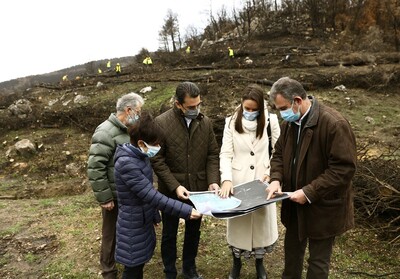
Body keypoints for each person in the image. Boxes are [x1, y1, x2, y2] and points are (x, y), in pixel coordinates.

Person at [266, 77, 357, 279]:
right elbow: (279, 154)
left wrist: (309, 192)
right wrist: (275, 178)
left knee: (317, 263)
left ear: (297, 101)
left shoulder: (334, 124)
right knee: (292, 258)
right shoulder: (290, 124)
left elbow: (343, 169)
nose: (281, 113)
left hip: (324, 207)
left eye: (283, 108)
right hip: (294, 205)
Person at [113, 113, 202, 279]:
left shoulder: (139, 156)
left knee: (138, 264)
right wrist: (187, 211)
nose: (158, 147)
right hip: (132, 225)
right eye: (155, 144)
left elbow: (145, 191)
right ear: (141, 143)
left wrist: (153, 215)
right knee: (132, 269)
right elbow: (152, 195)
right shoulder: (127, 164)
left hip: (141, 220)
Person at [151, 81, 220, 279]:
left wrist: (213, 180)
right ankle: (170, 271)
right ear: (178, 104)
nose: (196, 109)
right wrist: (174, 186)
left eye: (198, 104)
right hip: (171, 191)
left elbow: (212, 154)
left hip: (198, 190)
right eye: (191, 107)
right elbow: (157, 159)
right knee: (169, 233)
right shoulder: (161, 123)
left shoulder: (204, 122)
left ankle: (189, 269)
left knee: (193, 232)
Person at [219, 84, 280, 279]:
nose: (250, 113)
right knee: (239, 224)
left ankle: (259, 263)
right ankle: (236, 263)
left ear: (261, 108)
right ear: (242, 105)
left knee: (261, 226)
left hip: (263, 183)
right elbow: (226, 154)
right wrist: (227, 179)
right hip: (239, 183)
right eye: (247, 109)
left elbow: (278, 152)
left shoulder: (271, 121)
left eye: (255, 110)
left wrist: (271, 174)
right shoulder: (231, 122)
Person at [87, 92, 144, 279]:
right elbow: (96, 166)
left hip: (128, 195)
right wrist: (105, 198)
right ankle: (108, 270)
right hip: (114, 196)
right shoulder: (105, 132)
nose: (140, 115)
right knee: (110, 234)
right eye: (139, 111)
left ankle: (125, 262)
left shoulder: (130, 129)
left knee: (126, 231)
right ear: (129, 110)